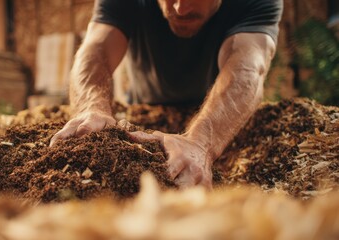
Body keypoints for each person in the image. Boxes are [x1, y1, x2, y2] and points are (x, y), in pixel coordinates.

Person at [49, 0, 283, 188]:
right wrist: (92, 107)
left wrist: (200, 144)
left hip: (218, 123)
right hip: (144, 110)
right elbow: (96, 49)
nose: (180, 8)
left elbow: (246, 68)